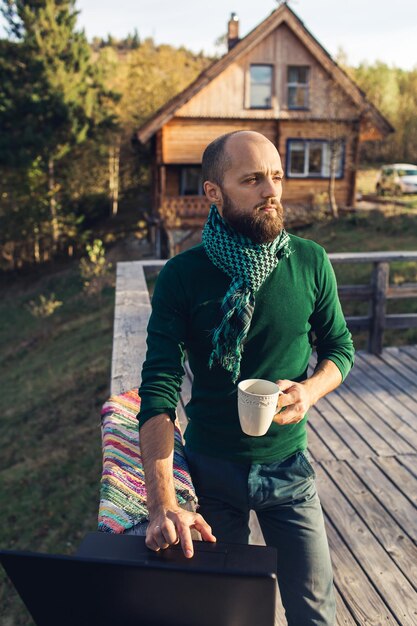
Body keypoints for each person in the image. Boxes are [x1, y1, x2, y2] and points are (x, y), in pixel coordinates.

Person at [138, 130, 354, 625]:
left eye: (276, 176)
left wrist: (310, 389)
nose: (271, 191)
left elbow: (340, 347)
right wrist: (163, 500)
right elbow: (159, 388)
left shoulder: (310, 261)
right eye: (253, 179)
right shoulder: (182, 276)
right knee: (226, 616)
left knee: (315, 612)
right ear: (214, 192)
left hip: (289, 469)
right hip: (212, 473)